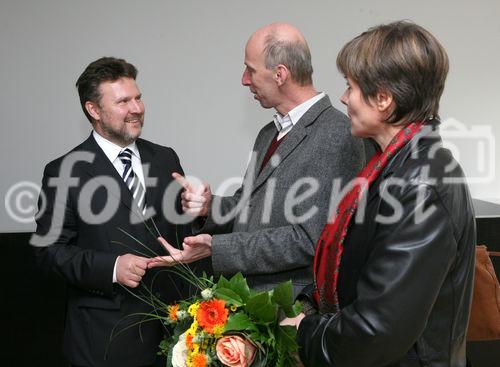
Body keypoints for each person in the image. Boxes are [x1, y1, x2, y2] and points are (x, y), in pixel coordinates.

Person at [281, 21, 476, 366]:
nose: (343, 98)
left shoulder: (421, 184)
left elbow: (377, 330)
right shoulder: (392, 166)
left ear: (383, 99)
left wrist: (305, 333)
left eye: (351, 86)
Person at [149, 23, 366, 296]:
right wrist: (208, 206)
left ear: (280, 74)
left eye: (251, 70)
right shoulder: (269, 133)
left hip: (291, 312)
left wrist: (218, 248)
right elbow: (248, 205)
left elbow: (310, 240)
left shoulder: (337, 134)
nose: (244, 79)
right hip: (250, 303)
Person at [31, 57, 189, 367]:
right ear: (94, 110)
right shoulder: (64, 171)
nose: (137, 108)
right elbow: (48, 254)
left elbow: (182, 233)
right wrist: (112, 268)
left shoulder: (165, 158)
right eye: (123, 101)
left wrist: (199, 210)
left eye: (138, 97)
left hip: (176, 338)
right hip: (105, 343)